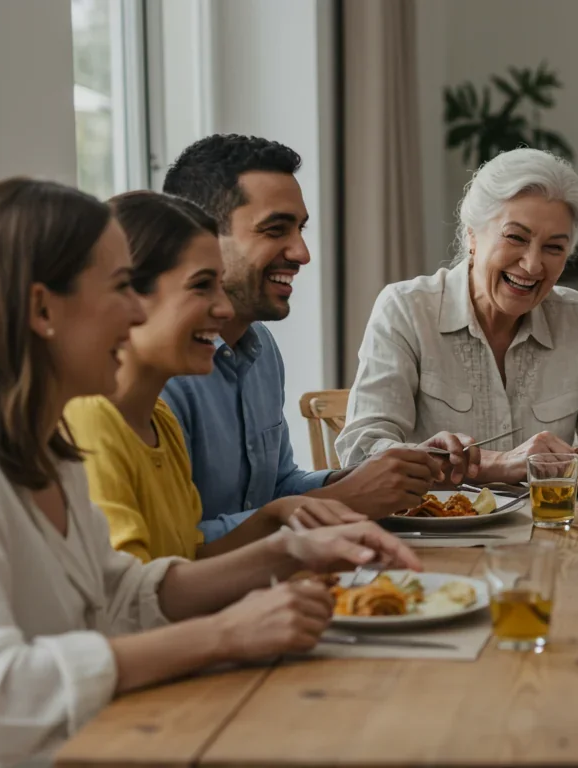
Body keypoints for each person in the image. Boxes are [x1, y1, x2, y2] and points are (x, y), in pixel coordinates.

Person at [0, 177, 420, 767]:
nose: (135, 310)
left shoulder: (54, 455)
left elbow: (124, 594)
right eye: (120, 288)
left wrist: (290, 550)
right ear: (42, 309)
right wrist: (226, 633)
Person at [160, 135, 467, 542]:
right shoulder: (159, 371)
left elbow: (276, 488)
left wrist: (369, 477)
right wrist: (344, 499)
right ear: (200, 239)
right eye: (275, 230)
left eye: (300, 229)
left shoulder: (261, 348)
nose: (302, 253)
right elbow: (175, 546)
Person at [65, 191, 365, 562]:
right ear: (127, 296)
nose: (224, 309)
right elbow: (136, 590)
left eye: (220, 285)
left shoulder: (160, 423)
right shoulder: (91, 422)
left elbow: (189, 552)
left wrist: (283, 522)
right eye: (201, 286)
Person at [336, 148, 578, 482]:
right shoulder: (406, 309)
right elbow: (362, 452)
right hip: (437, 517)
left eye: (554, 247)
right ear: (472, 234)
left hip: (552, 516)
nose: (532, 265)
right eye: (515, 237)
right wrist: (496, 464)